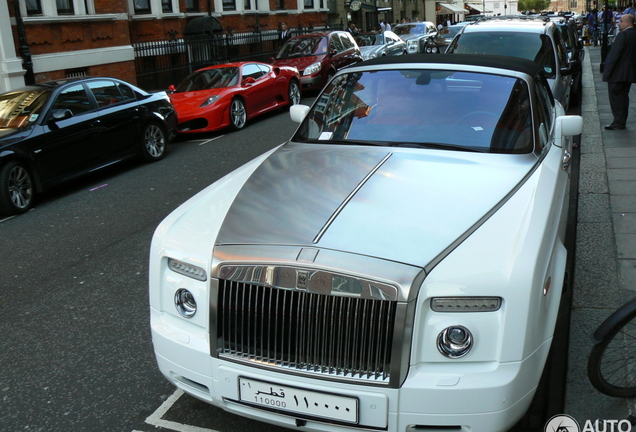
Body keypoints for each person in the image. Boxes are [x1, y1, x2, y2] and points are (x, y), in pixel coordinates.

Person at [602, 13, 636, 130]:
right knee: (623, 98)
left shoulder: (623, 35)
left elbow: (614, 55)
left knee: (616, 99)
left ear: (628, 23)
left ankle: (618, 122)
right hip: (629, 73)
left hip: (617, 73)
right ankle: (621, 121)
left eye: (621, 21)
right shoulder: (634, 34)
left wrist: (607, 71)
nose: (619, 23)